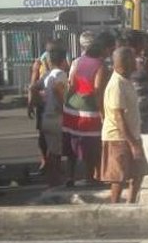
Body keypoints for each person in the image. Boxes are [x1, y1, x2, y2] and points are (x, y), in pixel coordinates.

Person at [101, 47, 148, 204]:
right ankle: (115, 208)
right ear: (125, 62)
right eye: (132, 59)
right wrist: (132, 144)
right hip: (118, 137)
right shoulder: (116, 85)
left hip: (132, 135)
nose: (136, 62)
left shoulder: (126, 81)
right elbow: (118, 118)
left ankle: (131, 204)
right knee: (119, 177)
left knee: (139, 172)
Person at [62, 31, 110, 187]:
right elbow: (97, 91)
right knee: (92, 145)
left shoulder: (78, 61)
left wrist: (66, 103)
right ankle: (90, 177)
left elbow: (71, 84)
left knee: (72, 145)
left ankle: (70, 177)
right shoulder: (100, 66)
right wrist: (103, 114)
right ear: (103, 50)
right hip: (89, 111)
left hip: (71, 108)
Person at [28, 39, 62, 177]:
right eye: (49, 51)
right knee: (43, 135)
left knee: (57, 137)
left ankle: (55, 165)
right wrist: (30, 102)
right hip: (43, 103)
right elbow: (33, 84)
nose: (50, 54)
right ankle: (45, 161)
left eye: (53, 50)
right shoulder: (39, 63)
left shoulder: (61, 63)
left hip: (55, 105)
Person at [40, 48, 70, 187]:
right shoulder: (61, 74)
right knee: (56, 153)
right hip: (56, 117)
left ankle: (52, 179)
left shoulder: (48, 75)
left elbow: (33, 88)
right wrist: (61, 105)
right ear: (64, 61)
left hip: (46, 116)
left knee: (52, 151)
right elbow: (57, 89)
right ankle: (55, 180)